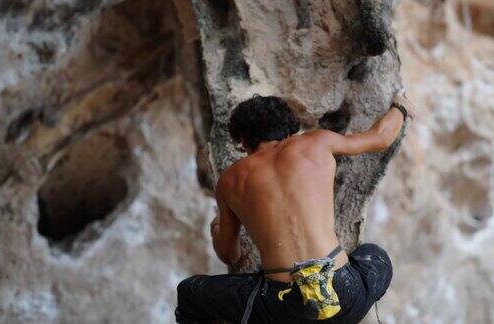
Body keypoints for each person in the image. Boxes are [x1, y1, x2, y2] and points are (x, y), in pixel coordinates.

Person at [175, 93, 413, 323]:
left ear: (243, 141)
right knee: (375, 255)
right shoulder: (317, 142)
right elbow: (380, 137)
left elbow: (230, 254)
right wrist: (400, 107)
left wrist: (217, 228)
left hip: (283, 309)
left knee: (189, 292)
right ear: (289, 131)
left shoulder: (231, 180)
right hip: (344, 296)